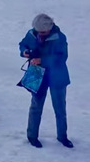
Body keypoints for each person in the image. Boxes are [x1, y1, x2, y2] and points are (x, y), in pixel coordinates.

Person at [20, 14, 72, 149]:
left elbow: (62, 57)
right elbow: (23, 44)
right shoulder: (31, 34)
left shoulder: (60, 37)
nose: (40, 34)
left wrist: (42, 60)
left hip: (57, 76)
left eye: (43, 32)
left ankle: (62, 136)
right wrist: (24, 51)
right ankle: (32, 136)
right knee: (35, 106)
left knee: (60, 108)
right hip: (37, 74)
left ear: (50, 28)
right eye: (38, 32)